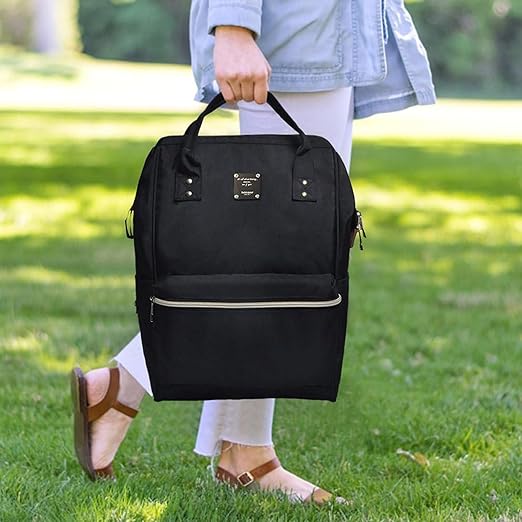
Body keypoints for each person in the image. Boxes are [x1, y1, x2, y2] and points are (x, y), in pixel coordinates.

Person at [71, 0, 436, 506]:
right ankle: (142, 397)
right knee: (282, 262)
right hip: (296, 35)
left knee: (279, 261)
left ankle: (232, 443)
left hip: (324, 35)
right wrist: (233, 26)